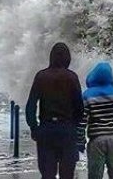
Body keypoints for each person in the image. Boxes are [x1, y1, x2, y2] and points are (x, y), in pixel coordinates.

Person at [26, 42, 84, 179]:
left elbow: (31, 106)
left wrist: (34, 128)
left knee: (47, 174)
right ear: (67, 58)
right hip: (67, 130)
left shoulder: (41, 76)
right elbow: (80, 108)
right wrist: (74, 127)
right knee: (67, 174)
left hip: (46, 130)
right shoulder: (72, 77)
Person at [76, 62, 113, 179]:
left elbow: (81, 122)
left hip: (97, 140)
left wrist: (80, 142)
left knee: (95, 175)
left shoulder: (87, 95)